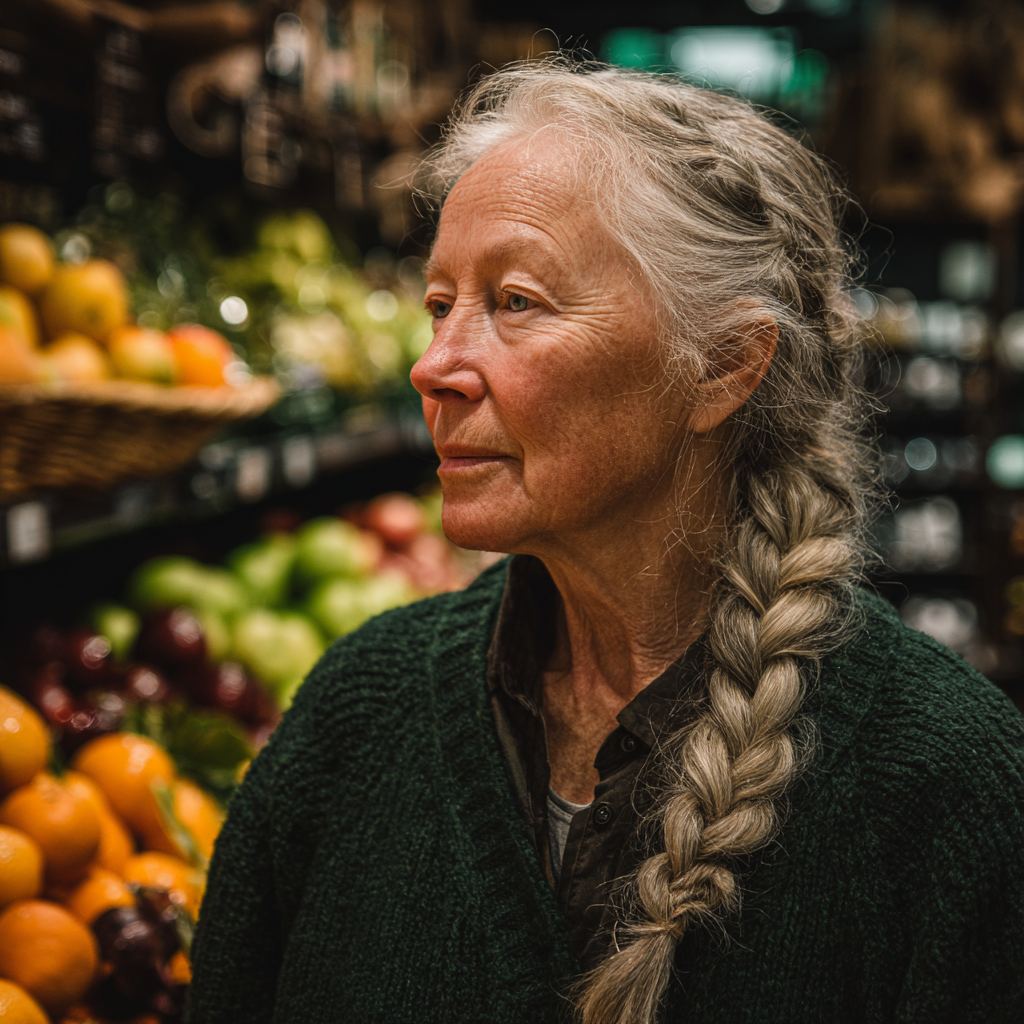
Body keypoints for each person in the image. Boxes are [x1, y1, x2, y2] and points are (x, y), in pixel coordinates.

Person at [186, 60, 1024, 1024]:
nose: (433, 367)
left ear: (722, 367)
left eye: (515, 302)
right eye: (438, 304)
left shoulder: (947, 791)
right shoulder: (353, 719)